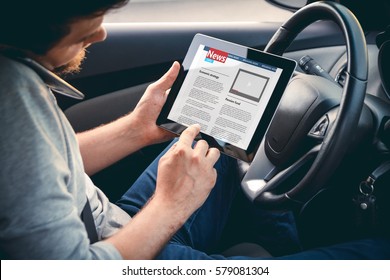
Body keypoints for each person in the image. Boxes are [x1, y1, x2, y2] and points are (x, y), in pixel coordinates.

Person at [1, 1, 389, 260]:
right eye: (89, 25)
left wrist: (137, 129)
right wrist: (171, 205)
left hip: (109, 222)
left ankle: (273, 247)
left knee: (220, 134)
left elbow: (37, 167)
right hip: (119, 252)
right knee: (377, 250)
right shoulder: (12, 94)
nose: (100, 34)